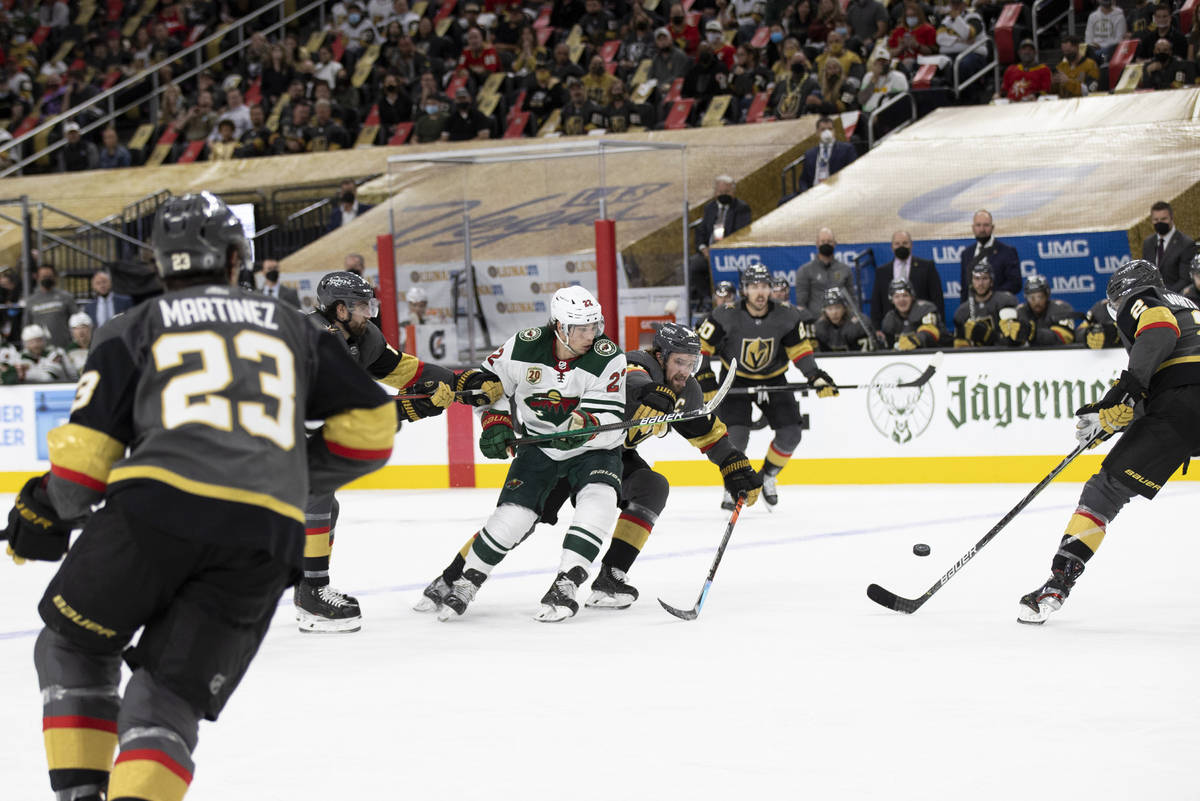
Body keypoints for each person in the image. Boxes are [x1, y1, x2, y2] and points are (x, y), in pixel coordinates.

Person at [4, 193, 395, 801]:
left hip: (154, 513)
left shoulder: (131, 327)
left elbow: (81, 474)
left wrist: (42, 508)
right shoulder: (295, 325)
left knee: (72, 644)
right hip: (265, 538)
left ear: (162, 266)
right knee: (167, 696)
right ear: (238, 258)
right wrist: (287, 471)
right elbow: (372, 431)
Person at [417, 324, 763, 612]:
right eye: (679, 362)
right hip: (565, 449)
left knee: (651, 487)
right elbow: (631, 377)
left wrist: (734, 466)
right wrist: (652, 393)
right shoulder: (635, 363)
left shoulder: (684, 388)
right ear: (660, 355)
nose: (685, 371)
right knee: (519, 525)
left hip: (608, 454)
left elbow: (707, 433)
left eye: (692, 363)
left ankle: (610, 577)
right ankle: (450, 578)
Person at [416, 285, 628, 622]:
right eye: (582, 328)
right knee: (513, 517)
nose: (591, 335)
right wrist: (496, 421)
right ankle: (468, 579)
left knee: (599, 500)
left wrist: (584, 425)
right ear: (559, 326)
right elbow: (489, 386)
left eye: (595, 326)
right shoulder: (524, 345)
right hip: (539, 448)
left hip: (593, 451)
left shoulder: (608, 355)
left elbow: (612, 417)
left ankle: (567, 581)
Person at [1017, 260, 1200, 624]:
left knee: (1104, 492)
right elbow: (1172, 377)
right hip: (1180, 403)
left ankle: (1057, 585)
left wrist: (1122, 391)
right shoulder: (1190, 306)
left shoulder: (1145, 298)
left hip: (1182, 407)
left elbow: (1160, 334)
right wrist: (1113, 418)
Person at [294, 270, 459, 632]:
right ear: (338, 310)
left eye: (370, 304)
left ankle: (308, 585)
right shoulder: (316, 338)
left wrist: (459, 382)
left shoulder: (358, 335)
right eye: (360, 306)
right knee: (316, 496)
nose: (368, 313)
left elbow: (401, 369)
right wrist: (406, 410)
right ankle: (312, 594)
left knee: (323, 504)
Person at [696, 265, 838, 509]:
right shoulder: (725, 313)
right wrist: (705, 378)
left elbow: (799, 350)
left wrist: (815, 375)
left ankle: (767, 476)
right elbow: (700, 345)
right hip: (735, 378)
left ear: (770, 288)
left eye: (764, 286)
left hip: (774, 378)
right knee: (735, 437)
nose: (759, 292)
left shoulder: (787, 314)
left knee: (792, 433)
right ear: (744, 290)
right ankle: (732, 484)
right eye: (753, 287)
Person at [691, 175, 752, 313]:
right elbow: (701, 232)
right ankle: (708, 299)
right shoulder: (710, 208)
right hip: (709, 253)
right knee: (692, 265)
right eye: (720, 192)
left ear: (733, 192)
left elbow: (741, 233)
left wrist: (720, 250)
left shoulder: (742, 208)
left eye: (727, 192)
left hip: (730, 253)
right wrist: (704, 249)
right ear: (715, 192)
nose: (723, 195)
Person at [870, 230, 943, 328]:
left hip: (922, 325)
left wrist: (938, 324)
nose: (901, 246)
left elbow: (937, 298)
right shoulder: (882, 272)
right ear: (892, 247)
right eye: (897, 244)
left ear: (911, 245)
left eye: (905, 243)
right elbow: (876, 302)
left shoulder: (927, 267)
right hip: (892, 327)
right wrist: (877, 328)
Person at [998, 274, 1076, 347]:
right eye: (1032, 298)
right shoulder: (1019, 312)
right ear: (1026, 298)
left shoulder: (1061, 308)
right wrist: (1012, 338)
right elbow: (1006, 343)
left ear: (1047, 295)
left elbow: (1065, 337)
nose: (1036, 302)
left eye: (1040, 297)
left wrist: (1033, 333)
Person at [959, 209, 1021, 300]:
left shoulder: (1007, 252)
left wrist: (990, 297)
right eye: (978, 225)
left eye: (986, 225)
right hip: (973, 308)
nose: (982, 229)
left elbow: (1015, 283)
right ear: (973, 228)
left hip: (999, 306)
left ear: (992, 227)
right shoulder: (966, 254)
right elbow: (965, 288)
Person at [953, 262, 1018, 347]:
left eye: (984, 278)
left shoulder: (1005, 302)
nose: (980, 283)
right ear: (971, 281)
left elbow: (1013, 340)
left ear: (991, 281)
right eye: (977, 278)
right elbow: (959, 348)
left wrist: (990, 336)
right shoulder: (962, 311)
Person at [794, 227, 858, 313]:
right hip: (815, 320)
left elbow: (852, 299)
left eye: (829, 241)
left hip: (841, 321)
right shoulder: (805, 270)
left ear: (834, 243)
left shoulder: (845, 270)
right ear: (817, 243)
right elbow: (801, 303)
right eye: (823, 242)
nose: (826, 244)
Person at [1140, 201, 1195, 292]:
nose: (1159, 222)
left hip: (1176, 297)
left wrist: (1165, 295)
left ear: (1172, 218)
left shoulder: (1186, 244)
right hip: (1153, 297)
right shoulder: (1148, 243)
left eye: (1163, 219)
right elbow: (1145, 274)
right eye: (1156, 220)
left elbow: (1185, 280)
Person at [880, 278, 948, 350]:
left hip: (939, 354)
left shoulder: (925, 309)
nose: (901, 300)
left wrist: (915, 340)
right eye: (897, 296)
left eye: (905, 295)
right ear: (892, 300)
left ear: (912, 296)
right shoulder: (889, 319)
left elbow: (931, 332)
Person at [26, 263, 79, 349]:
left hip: (65, 347)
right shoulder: (31, 301)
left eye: (49, 276)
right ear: (38, 277)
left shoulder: (66, 297)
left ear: (55, 277)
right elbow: (27, 326)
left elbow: (76, 321)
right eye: (43, 276)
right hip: (40, 350)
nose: (46, 279)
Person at [798, 116, 857, 191]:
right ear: (817, 133)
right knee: (784, 200)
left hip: (835, 189)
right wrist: (806, 193)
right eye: (823, 130)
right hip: (813, 191)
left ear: (834, 131)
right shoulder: (810, 154)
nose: (827, 132)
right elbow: (803, 180)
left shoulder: (846, 149)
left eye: (830, 129)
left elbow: (852, 173)